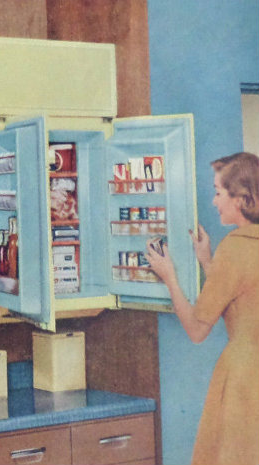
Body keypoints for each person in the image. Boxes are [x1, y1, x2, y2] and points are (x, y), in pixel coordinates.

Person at [146, 151, 259, 465]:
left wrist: (170, 277)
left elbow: (197, 330)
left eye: (219, 192)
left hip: (244, 376)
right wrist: (207, 262)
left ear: (241, 199)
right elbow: (241, 299)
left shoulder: (235, 247)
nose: (214, 201)